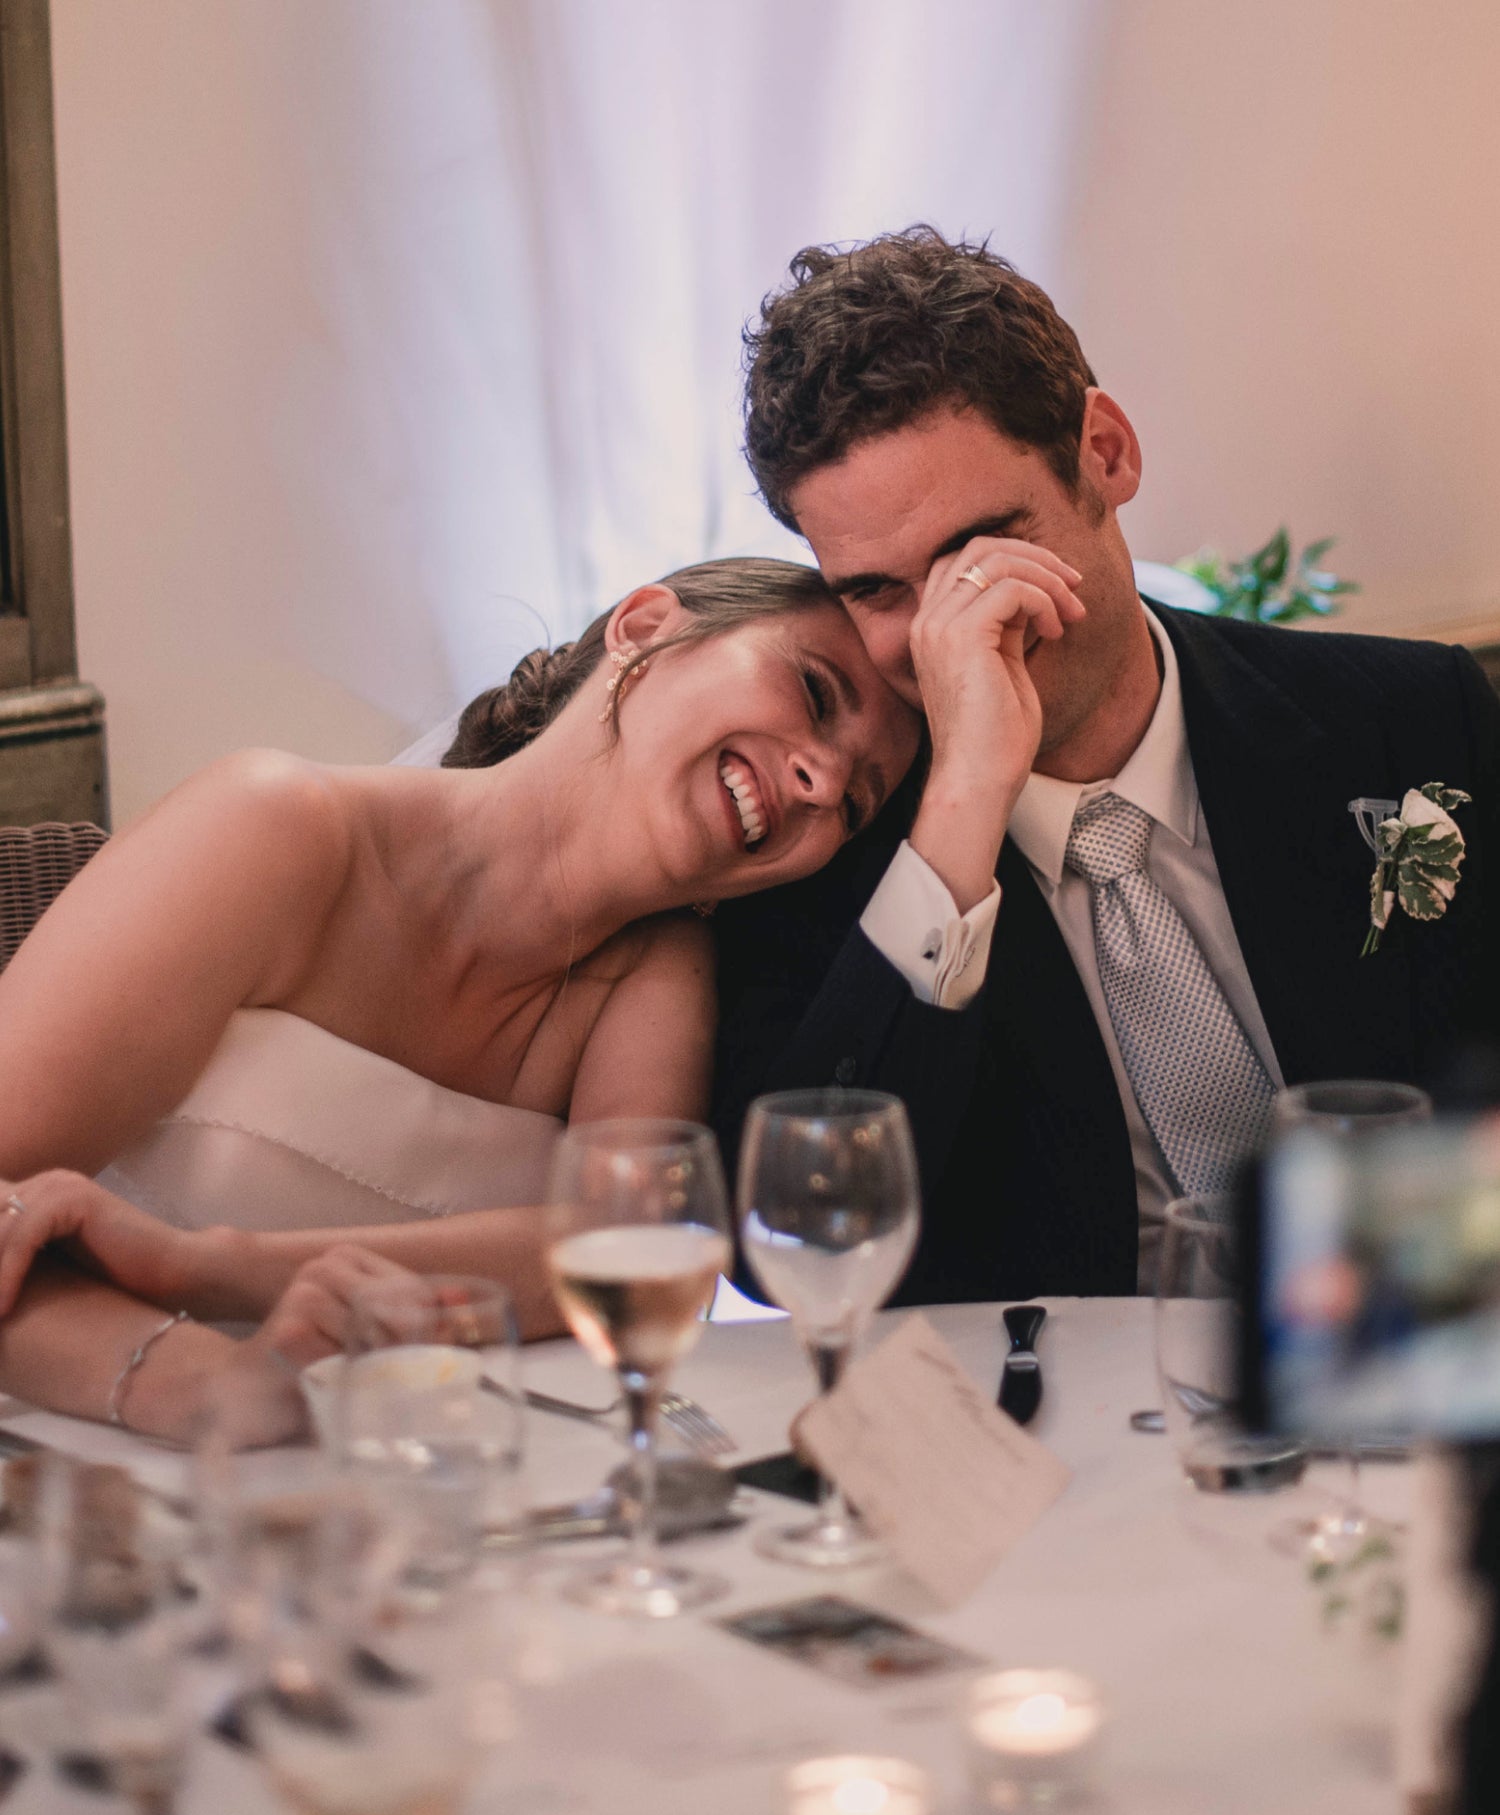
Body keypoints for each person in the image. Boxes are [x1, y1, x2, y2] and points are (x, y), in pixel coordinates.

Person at [713, 227, 1500, 1305]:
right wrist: (961, 815)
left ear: (1106, 454)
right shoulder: (829, 857)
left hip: (1422, 1366)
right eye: (878, 594)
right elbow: (794, 1243)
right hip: (1049, 1450)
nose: (948, 628)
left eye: (976, 553)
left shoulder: (1410, 719)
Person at [0, 558, 919, 1440]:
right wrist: (193, 1380)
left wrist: (215, 1269)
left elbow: (628, 1252)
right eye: (814, 691)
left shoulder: (656, 976)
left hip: (409, 1477)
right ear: (644, 628)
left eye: (856, 804)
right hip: (78, 1445)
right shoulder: (275, 830)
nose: (824, 781)